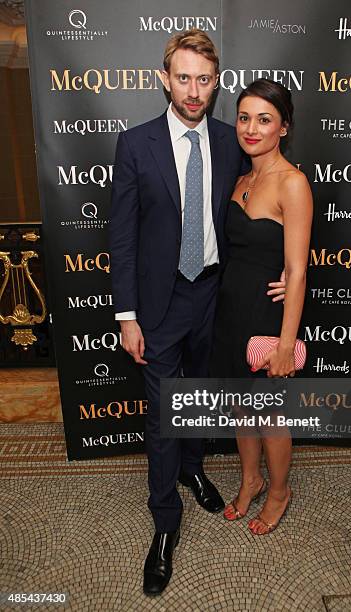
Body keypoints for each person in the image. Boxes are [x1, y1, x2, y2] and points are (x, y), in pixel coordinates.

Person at [109, 31, 286, 595]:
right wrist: (127, 315)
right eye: (183, 78)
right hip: (158, 305)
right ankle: (164, 523)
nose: (193, 90)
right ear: (166, 79)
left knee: (202, 394)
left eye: (204, 80)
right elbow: (123, 239)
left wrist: (285, 269)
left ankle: (192, 468)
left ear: (216, 84)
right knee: (163, 413)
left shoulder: (236, 140)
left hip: (216, 295)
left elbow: (272, 200)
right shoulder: (135, 145)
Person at [209, 79, 313, 535]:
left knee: (270, 413)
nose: (251, 128)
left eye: (264, 119)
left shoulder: (292, 183)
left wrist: (287, 342)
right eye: (245, 117)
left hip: (267, 316)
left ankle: (278, 491)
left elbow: (298, 268)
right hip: (230, 308)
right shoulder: (241, 179)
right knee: (239, 407)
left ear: (283, 127)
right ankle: (250, 479)